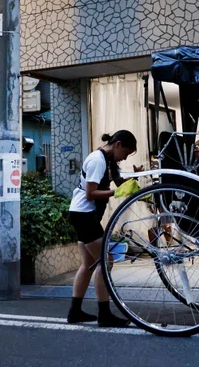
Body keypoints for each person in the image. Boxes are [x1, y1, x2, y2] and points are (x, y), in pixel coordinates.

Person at [66, 130, 142, 326]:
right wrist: (115, 193)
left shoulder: (109, 161)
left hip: (85, 215)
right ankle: (104, 314)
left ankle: (75, 312)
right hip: (83, 215)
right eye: (126, 152)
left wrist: (134, 177)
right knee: (106, 261)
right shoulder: (97, 160)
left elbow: (118, 183)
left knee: (89, 264)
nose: (125, 157)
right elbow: (91, 193)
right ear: (117, 145)